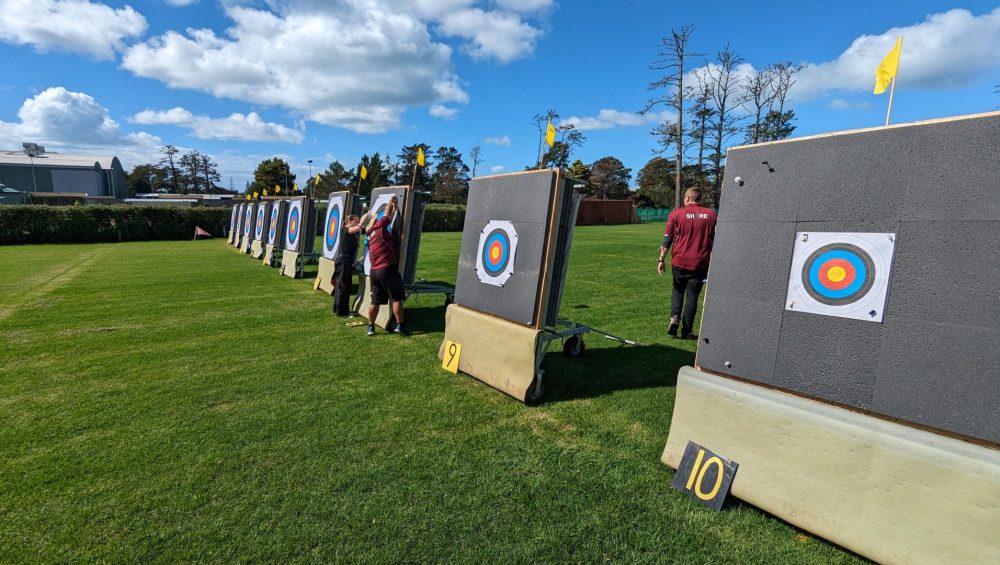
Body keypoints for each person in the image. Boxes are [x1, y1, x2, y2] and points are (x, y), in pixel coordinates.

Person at [657, 187, 717, 339]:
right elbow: (716, 239)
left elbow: (667, 239)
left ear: (687, 198)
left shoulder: (676, 214)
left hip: (679, 260)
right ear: (699, 198)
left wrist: (661, 259)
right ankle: (687, 331)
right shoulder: (711, 215)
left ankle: (674, 318)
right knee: (692, 297)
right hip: (700, 262)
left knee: (677, 290)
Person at [360, 197, 407, 336]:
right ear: (375, 222)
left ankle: (371, 327)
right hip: (386, 269)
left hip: (374, 271)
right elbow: (387, 213)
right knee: (397, 298)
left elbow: (388, 216)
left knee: (375, 301)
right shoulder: (380, 226)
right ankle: (400, 326)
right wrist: (392, 201)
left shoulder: (369, 234)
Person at [331, 214, 362, 317]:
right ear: (351, 221)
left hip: (346, 261)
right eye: (357, 221)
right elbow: (358, 228)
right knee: (343, 287)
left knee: (341, 286)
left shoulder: (349, 232)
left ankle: (337, 309)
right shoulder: (346, 229)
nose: (358, 223)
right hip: (344, 261)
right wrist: (369, 218)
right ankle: (342, 312)